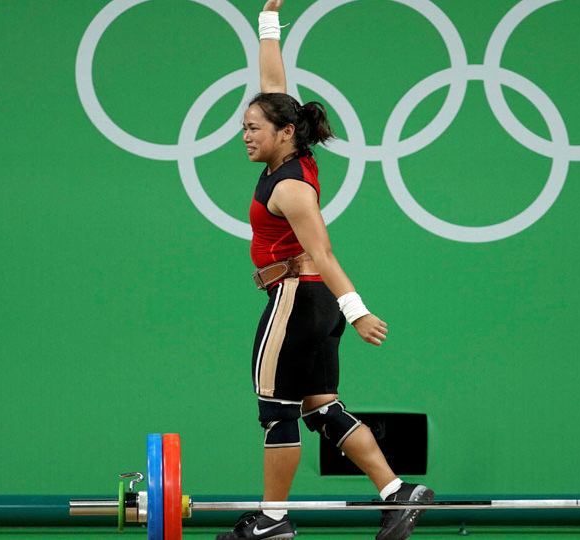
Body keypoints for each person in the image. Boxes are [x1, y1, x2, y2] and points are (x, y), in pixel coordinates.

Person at [215, 2, 434, 540]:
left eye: (252, 128)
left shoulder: (289, 187)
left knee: (277, 410)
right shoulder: (294, 153)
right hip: (311, 303)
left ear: (285, 132)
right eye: (243, 127)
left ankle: (272, 519)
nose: (244, 136)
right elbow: (273, 83)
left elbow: (326, 252)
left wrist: (356, 311)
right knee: (320, 407)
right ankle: (397, 492)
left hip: (298, 297)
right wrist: (268, 20)